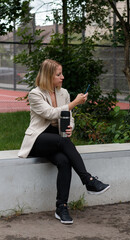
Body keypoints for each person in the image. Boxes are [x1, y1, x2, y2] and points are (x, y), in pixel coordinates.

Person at [18, 59, 110, 224]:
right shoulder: (35, 94)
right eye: (58, 74)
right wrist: (74, 103)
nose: (62, 77)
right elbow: (51, 113)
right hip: (39, 138)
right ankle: (88, 180)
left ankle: (61, 207)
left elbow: (69, 118)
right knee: (64, 142)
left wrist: (70, 128)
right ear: (48, 76)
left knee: (64, 161)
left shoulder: (63, 93)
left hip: (57, 137)